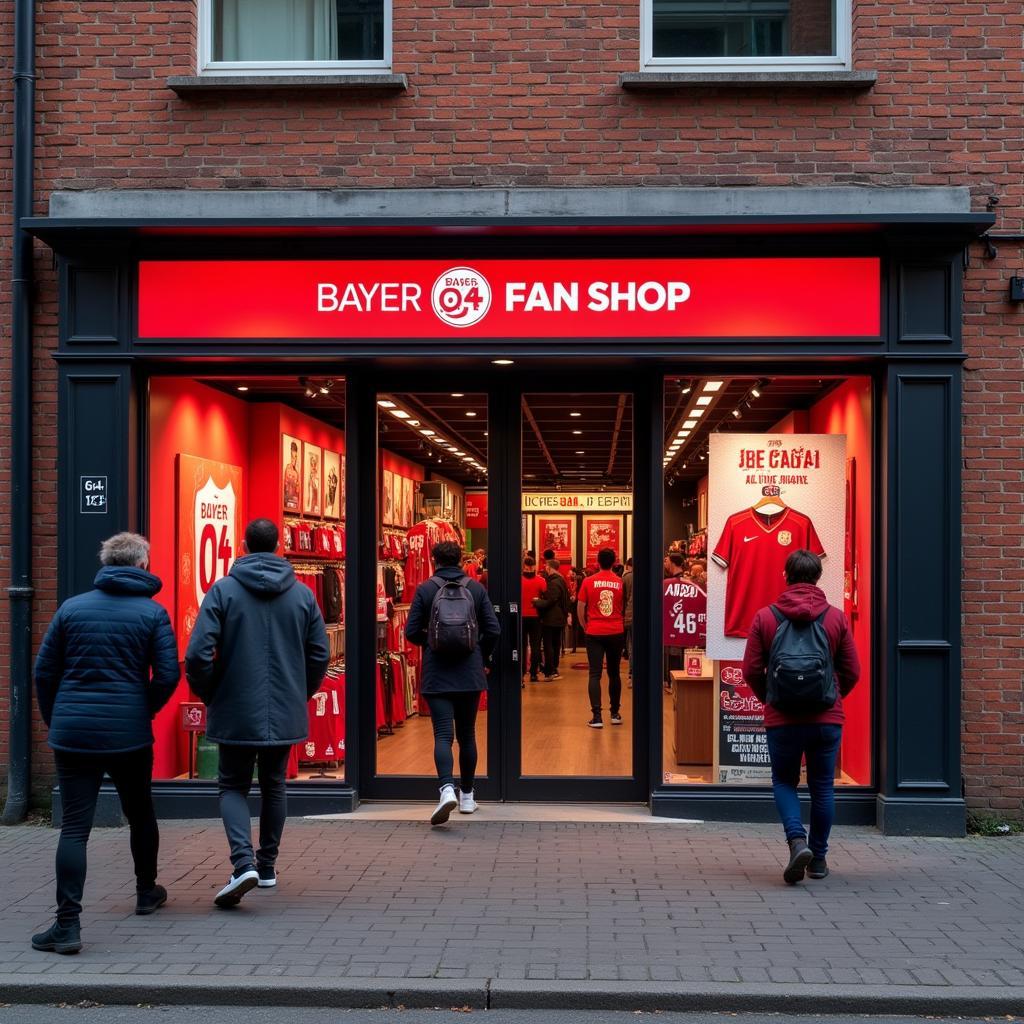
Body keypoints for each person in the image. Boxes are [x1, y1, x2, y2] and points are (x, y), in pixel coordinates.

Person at [32, 532, 180, 955]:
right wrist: (144, 709)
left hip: (74, 734)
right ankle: (146, 891)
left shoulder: (71, 609)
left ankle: (68, 924)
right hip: (129, 734)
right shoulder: (153, 615)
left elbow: (45, 673)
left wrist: (55, 718)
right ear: (142, 566)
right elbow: (168, 675)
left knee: (75, 828)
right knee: (140, 812)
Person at [185, 518, 329, 908]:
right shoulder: (301, 595)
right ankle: (265, 867)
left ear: (244, 545)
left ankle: (242, 862)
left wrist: (211, 692)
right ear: (280, 545)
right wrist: (300, 692)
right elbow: (320, 654)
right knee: (274, 785)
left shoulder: (223, 591)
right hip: (283, 706)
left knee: (232, 785)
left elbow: (197, 654)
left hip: (234, 706)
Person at [742, 549, 860, 885]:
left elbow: (750, 669)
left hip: (783, 718)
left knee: (784, 781)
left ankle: (796, 841)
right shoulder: (835, 617)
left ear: (786, 576)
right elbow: (853, 670)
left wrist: (770, 698)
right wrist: (833, 696)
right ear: (818, 577)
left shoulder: (766, 617)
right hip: (826, 718)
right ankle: (819, 859)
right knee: (822, 786)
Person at [405, 541, 500, 825]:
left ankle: (447, 788)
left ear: (434, 559)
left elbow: (411, 632)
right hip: (469, 672)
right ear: (460, 560)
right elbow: (493, 629)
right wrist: (479, 652)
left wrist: (432, 642)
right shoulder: (475, 588)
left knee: (443, 735)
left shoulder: (425, 589)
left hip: (437, 673)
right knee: (467, 735)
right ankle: (468, 796)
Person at [577, 548, 626, 728]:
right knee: (614, 673)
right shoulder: (620, 582)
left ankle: (597, 717)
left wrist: (585, 626)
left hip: (594, 632)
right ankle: (615, 713)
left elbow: (580, 607)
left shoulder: (588, 581)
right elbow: (625, 604)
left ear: (597, 562)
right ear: (614, 562)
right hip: (616, 631)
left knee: (595, 674)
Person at [533, 558, 570, 681]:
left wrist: (537, 602)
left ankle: (550, 671)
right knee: (555, 644)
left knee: (549, 645)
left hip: (551, 618)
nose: (545, 569)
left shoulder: (553, 582)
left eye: (546, 567)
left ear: (549, 568)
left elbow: (550, 600)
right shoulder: (561, 581)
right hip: (559, 618)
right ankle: (553, 669)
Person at [520, 555, 546, 683]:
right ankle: (534, 674)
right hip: (536, 616)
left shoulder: (518, 580)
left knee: (522, 645)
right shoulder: (541, 581)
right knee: (535, 646)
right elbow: (546, 599)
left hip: (521, 616)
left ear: (524, 566)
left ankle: (522, 671)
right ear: (534, 566)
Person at [622, 557, 634, 684]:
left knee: (631, 644)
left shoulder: (626, 578)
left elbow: (623, 598)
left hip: (629, 615)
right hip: (646, 616)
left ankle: (632, 674)